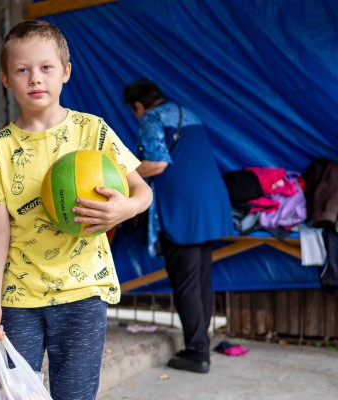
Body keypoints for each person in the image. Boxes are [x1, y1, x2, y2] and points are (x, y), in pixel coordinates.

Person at [0, 20, 152, 399]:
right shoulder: (0, 147)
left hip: (83, 292)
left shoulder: (93, 131)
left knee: (75, 394)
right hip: (19, 296)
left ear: (66, 72)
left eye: (46, 67)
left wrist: (125, 209)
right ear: (6, 79)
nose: (35, 78)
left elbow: (143, 190)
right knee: (14, 394)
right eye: (22, 70)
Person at [123, 79, 233, 374]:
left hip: (181, 208)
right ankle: (201, 346)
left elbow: (157, 163)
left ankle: (198, 354)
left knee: (185, 283)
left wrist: (122, 172)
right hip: (209, 203)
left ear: (138, 105)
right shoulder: (188, 114)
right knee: (201, 280)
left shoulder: (152, 117)